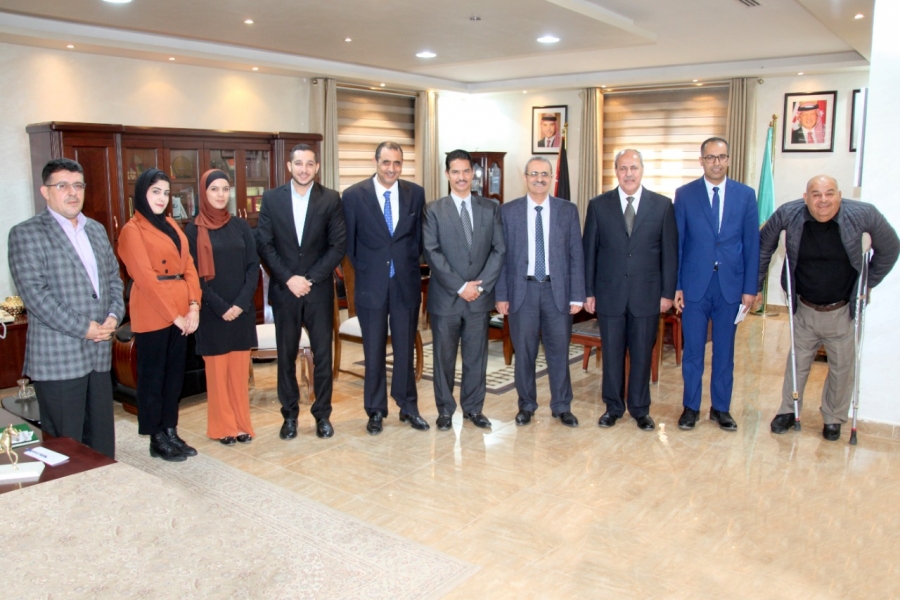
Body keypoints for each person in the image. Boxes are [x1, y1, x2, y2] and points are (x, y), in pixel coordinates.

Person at [758, 175, 899, 441]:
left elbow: (891, 248)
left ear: (839, 195)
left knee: (842, 368)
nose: (823, 200)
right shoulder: (788, 213)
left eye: (829, 193)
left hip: (842, 312)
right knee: (797, 363)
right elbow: (763, 247)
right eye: (816, 194)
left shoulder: (863, 214)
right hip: (804, 308)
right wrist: (755, 286)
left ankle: (833, 417)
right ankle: (788, 410)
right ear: (806, 198)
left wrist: (868, 282)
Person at [7, 158, 124, 459]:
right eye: (62, 186)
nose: (72, 192)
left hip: (99, 353)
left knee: (101, 442)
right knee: (66, 446)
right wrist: (84, 328)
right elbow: (36, 297)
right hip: (59, 357)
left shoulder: (95, 229)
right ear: (45, 191)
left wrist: (114, 316)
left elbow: (114, 280)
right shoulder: (26, 233)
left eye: (78, 185)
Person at [583, 149, 678, 431]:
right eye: (623, 168)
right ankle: (613, 407)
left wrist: (667, 294)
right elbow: (589, 253)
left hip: (647, 296)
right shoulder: (598, 205)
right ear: (616, 171)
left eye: (633, 168)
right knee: (612, 356)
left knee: (641, 355)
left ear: (642, 170)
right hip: (609, 294)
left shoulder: (662, 205)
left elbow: (670, 254)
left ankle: (639, 409)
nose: (628, 174)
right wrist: (588, 291)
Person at [257, 144, 346, 440]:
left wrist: (309, 279)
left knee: (323, 355)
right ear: (289, 166)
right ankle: (289, 416)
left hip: (318, 291)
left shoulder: (331, 199)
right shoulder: (271, 199)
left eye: (309, 164)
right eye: (298, 163)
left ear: (317, 167)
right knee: (285, 357)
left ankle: (322, 415)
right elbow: (265, 245)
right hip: (285, 291)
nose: (304, 169)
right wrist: (288, 279)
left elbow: (337, 246)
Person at [673, 137, 759, 432]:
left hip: (730, 287)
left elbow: (752, 244)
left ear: (729, 159)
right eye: (710, 157)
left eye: (721, 157)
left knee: (724, 352)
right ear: (701, 161)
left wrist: (750, 288)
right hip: (695, 286)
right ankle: (690, 407)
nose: (716, 163)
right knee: (693, 352)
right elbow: (678, 244)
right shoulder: (685, 194)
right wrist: (677, 285)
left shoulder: (745, 195)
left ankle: (721, 408)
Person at [342, 141, 427, 435]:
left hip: (405, 284)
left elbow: (418, 239)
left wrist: (403, 264)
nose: (392, 168)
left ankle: (408, 406)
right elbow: (350, 245)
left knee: (405, 349)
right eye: (386, 162)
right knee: (374, 351)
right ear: (375, 162)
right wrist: (371, 269)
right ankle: (376, 410)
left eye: (397, 163)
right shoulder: (353, 196)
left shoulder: (415, 193)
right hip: (371, 285)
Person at [118, 168, 202, 461]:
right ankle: (156, 437)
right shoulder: (132, 230)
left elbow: (189, 266)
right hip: (153, 310)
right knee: (153, 378)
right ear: (142, 193)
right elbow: (145, 279)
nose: (162, 198)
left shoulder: (171, 224)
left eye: (166, 193)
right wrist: (174, 316)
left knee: (174, 377)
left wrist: (194, 306)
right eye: (156, 191)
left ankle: (170, 429)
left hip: (182, 308)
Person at [496, 157, 585, 427]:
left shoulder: (567, 210)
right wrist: (501, 295)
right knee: (524, 353)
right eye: (534, 174)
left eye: (544, 174)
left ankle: (562, 406)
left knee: (559, 352)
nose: (539, 179)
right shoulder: (507, 211)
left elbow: (576, 255)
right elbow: (500, 257)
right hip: (521, 292)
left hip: (557, 292)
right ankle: (526, 405)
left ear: (552, 178)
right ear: (525, 178)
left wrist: (577, 294)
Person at [423, 149, 505, 430]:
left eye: (466, 171)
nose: (461, 177)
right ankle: (445, 411)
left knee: (476, 358)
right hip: (446, 298)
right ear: (447, 174)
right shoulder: (433, 210)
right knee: (443, 359)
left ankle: (473, 409)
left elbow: (499, 250)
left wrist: (479, 287)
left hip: (478, 299)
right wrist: (460, 286)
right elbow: (432, 252)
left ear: (473, 174)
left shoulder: (490, 208)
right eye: (455, 171)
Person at [186, 170, 259, 446]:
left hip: (241, 312)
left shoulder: (240, 226)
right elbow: (192, 275)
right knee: (217, 376)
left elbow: (253, 266)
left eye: (225, 189)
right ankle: (223, 427)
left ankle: (241, 425)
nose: (220, 194)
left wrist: (240, 304)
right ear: (203, 193)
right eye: (214, 189)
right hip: (211, 313)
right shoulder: (192, 230)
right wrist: (220, 307)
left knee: (238, 375)